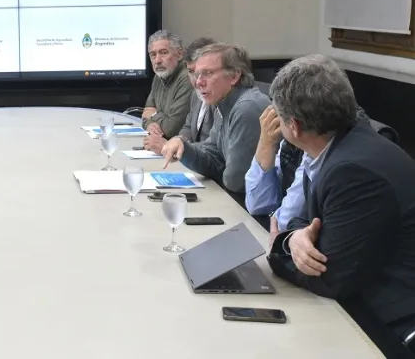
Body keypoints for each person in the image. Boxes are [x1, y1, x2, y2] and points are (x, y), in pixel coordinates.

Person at [264, 54, 415, 352]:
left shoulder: (352, 170)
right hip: (360, 298)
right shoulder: (336, 147)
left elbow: (331, 278)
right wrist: (294, 238)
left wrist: (279, 249)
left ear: (293, 126)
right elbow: (310, 222)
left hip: (389, 325)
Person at [160, 43, 270, 195]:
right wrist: (182, 147)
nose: (198, 82)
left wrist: (218, 167)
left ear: (234, 76)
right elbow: (213, 157)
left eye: (208, 73)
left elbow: (235, 182)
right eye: (197, 74)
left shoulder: (247, 108)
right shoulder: (222, 102)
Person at [245, 102, 369, 230]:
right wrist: (267, 142)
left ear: (294, 125)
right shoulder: (293, 136)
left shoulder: (334, 146)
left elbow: (283, 224)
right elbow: (259, 205)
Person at [144, 37, 217, 154]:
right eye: (191, 72)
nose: (197, 81)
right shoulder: (196, 95)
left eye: (163, 53)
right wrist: (176, 142)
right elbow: (187, 129)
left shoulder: (222, 98)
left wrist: (170, 147)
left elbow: (171, 128)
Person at [140, 30, 194, 139]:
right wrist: (149, 124)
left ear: (179, 54)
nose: (157, 60)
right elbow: (145, 114)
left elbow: (172, 129)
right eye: (153, 55)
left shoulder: (187, 78)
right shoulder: (159, 76)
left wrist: (154, 115)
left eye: (163, 53)